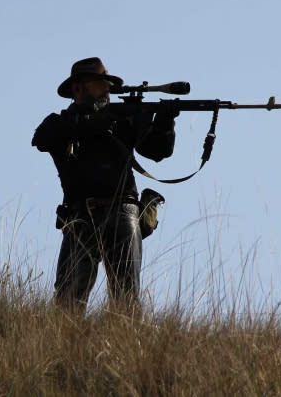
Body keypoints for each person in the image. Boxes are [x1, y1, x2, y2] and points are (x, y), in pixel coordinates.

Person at [32, 57, 177, 315]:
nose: (106, 89)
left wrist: (165, 124)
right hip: (80, 215)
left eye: (107, 84)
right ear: (78, 88)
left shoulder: (121, 121)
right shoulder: (61, 123)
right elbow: (42, 138)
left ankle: (128, 350)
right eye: (99, 84)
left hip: (123, 213)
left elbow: (156, 151)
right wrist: (96, 122)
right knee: (68, 300)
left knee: (126, 298)